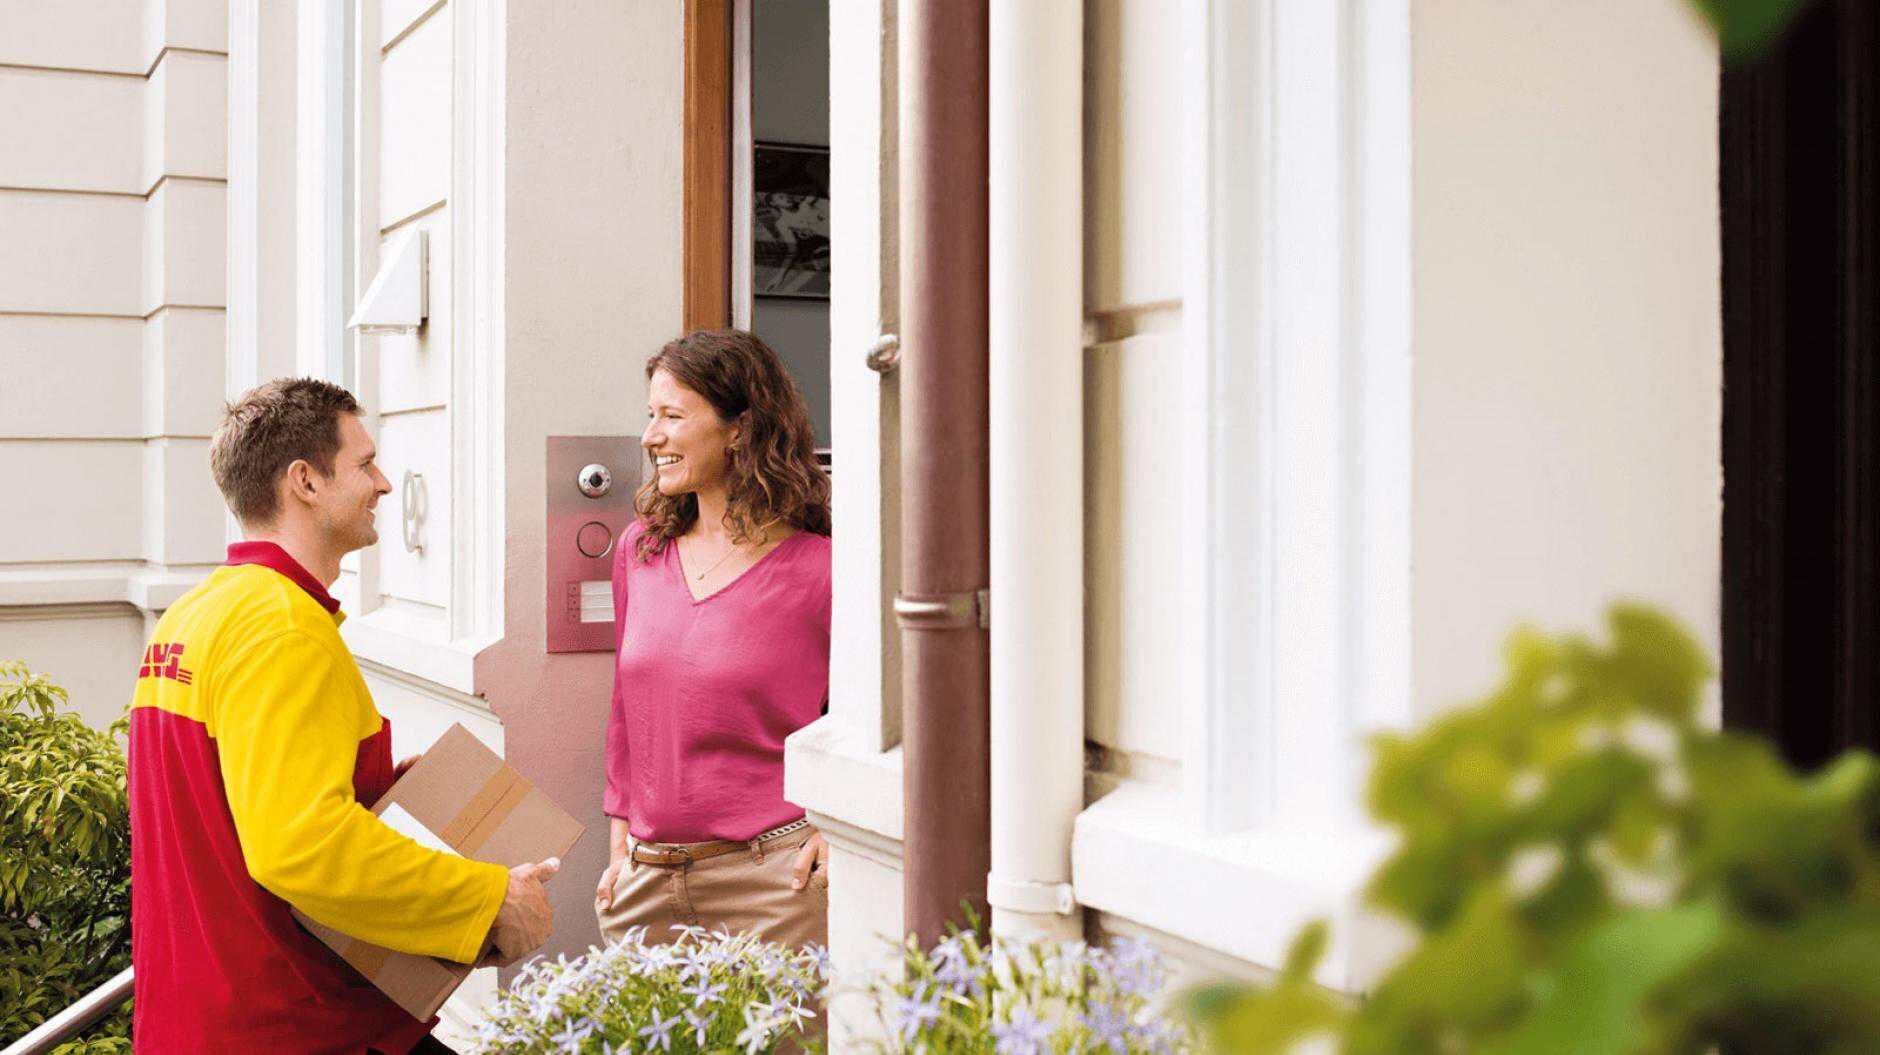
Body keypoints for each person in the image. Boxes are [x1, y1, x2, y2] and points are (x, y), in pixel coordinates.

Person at [128, 379, 560, 1053]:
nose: (384, 483)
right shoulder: (284, 629)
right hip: (293, 1024)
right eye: (364, 463)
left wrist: (374, 792)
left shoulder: (197, 614)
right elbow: (300, 846)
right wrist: (488, 897)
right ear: (305, 480)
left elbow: (222, 802)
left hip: (204, 1015)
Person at [594, 329, 833, 949]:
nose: (652, 437)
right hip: (647, 884)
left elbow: (877, 724)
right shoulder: (640, 551)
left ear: (739, 430)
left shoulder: (822, 568)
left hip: (775, 886)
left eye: (672, 416)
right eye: (652, 416)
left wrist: (840, 831)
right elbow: (627, 712)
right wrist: (620, 846)